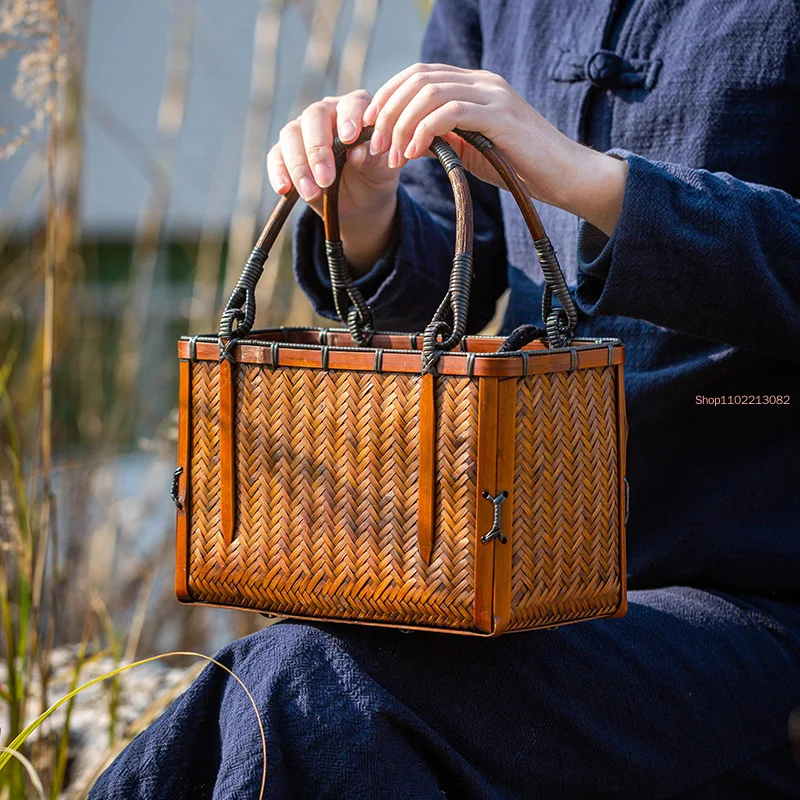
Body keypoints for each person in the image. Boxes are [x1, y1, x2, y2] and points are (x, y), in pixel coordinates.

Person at [91, 1, 800, 797]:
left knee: (308, 690)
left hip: (756, 605)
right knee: (282, 688)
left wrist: (594, 184)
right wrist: (363, 207)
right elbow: (441, 287)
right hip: (512, 589)